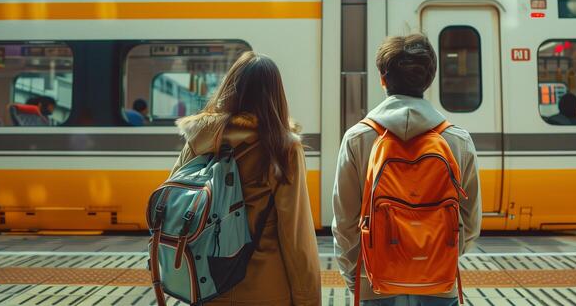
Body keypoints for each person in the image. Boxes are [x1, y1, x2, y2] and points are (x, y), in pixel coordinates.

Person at [332, 34, 481, 306]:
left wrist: (357, 277)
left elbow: (344, 223)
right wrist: (438, 257)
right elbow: (471, 224)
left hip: (374, 284)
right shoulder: (458, 140)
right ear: (429, 79)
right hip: (439, 283)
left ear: (382, 78)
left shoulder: (357, 138)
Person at [172, 51, 321, 305]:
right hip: (266, 290)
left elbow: (176, 203)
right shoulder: (282, 148)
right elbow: (296, 236)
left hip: (207, 287)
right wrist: (309, 299)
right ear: (276, 95)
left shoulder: (200, 139)